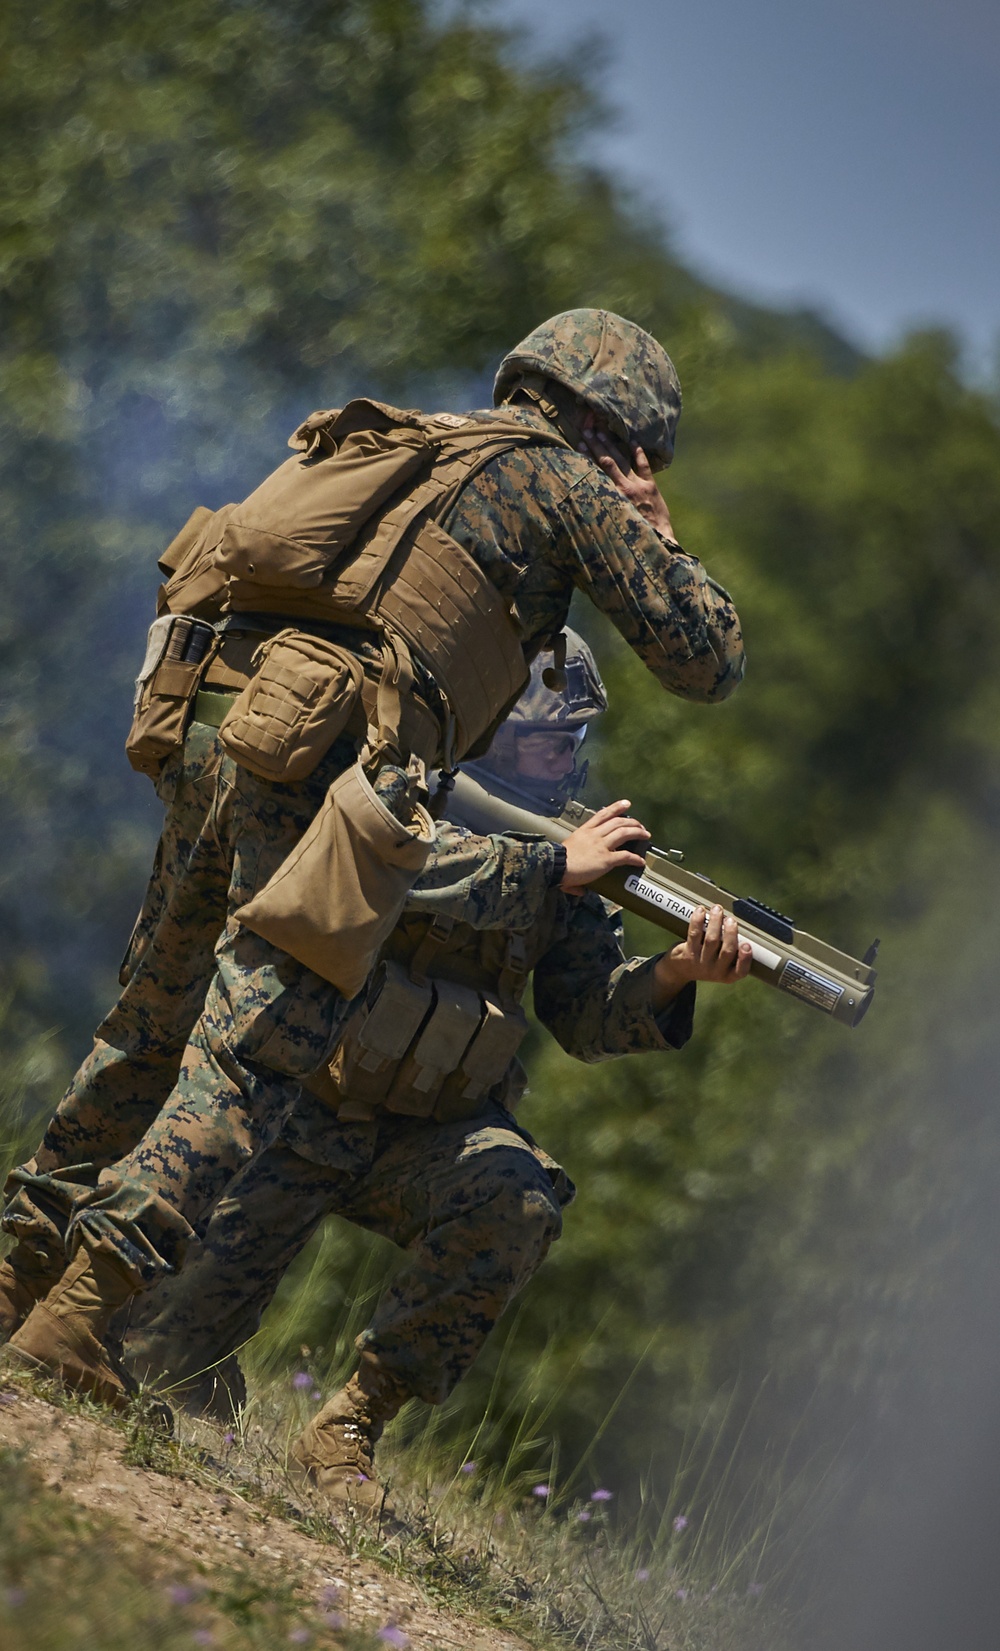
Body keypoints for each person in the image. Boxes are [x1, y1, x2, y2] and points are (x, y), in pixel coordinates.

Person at [2, 309, 745, 1409]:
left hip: (228, 719)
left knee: (149, 1024)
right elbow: (706, 659)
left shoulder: (425, 439)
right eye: (637, 453)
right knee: (251, 1052)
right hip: (327, 770)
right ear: (608, 427)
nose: (634, 471)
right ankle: (75, 1314)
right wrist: (656, 529)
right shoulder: (565, 485)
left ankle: (18, 1262)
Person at [121, 636, 752, 1507]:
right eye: (544, 738)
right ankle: (194, 1364)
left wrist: (679, 970)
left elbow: (588, 1014)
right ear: (490, 728)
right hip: (291, 1115)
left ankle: (347, 1428)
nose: (564, 759)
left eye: (575, 740)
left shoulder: (569, 853)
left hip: (424, 1132)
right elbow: (400, 870)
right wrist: (546, 868)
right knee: (155, 1360)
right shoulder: (395, 792)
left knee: (516, 1194)